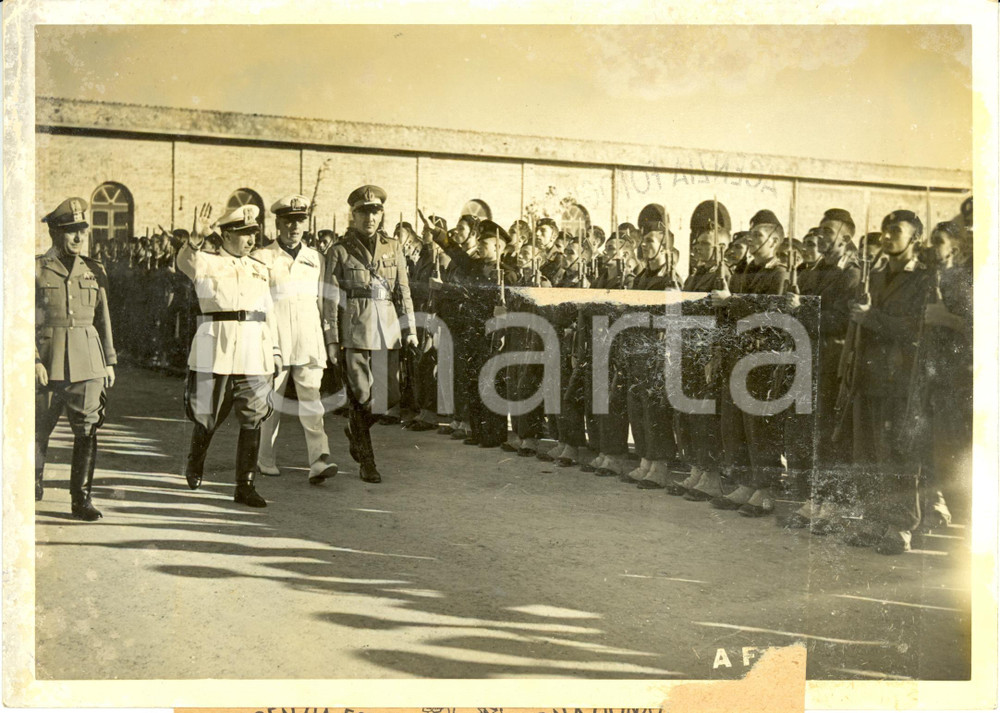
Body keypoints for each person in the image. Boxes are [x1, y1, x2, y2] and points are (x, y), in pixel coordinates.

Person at [177, 202, 282, 508]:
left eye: (253, 233)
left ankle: (245, 486)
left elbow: (268, 311)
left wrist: (275, 350)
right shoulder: (206, 263)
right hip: (217, 348)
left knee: (253, 416)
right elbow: (185, 261)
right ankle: (196, 460)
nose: (250, 240)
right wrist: (195, 239)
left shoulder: (259, 269)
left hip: (254, 349)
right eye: (243, 233)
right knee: (208, 413)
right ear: (225, 235)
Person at [845, 210, 931, 554]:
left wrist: (872, 318)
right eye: (884, 230)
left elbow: (919, 330)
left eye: (896, 230)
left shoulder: (925, 280)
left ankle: (900, 528)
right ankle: (873, 520)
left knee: (898, 454)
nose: (887, 236)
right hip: (868, 376)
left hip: (902, 381)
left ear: (916, 239)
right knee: (866, 451)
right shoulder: (875, 277)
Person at [322, 185, 418, 483]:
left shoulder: (394, 247)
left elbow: (403, 290)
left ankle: (355, 427)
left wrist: (411, 329)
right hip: (355, 329)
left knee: (389, 395)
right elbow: (328, 298)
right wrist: (332, 339)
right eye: (363, 212)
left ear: (381, 214)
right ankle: (367, 462)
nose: (370, 218)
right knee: (361, 397)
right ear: (353, 215)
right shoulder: (339, 250)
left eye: (375, 212)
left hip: (387, 327)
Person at [35, 197, 118, 520]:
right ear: (56, 232)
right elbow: (22, 317)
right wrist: (33, 360)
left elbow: (104, 318)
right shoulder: (37, 268)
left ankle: (80, 499)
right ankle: (32, 482)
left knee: (87, 428)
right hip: (46, 357)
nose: (78, 237)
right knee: (38, 427)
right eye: (71, 231)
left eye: (82, 230)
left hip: (87, 359)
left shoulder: (95, 270)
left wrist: (108, 360)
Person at [253, 194, 338, 485]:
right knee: (271, 404)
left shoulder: (315, 259)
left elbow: (323, 304)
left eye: (300, 221)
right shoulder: (263, 257)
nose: (294, 227)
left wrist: (328, 341)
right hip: (275, 342)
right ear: (278, 223)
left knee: (312, 402)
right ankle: (265, 458)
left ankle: (319, 459)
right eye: (289, 221)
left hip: (308, 339)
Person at [710, 209, 789, 518]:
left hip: (761, 358)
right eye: (751, 234)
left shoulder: (778, 273)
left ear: (776, 240)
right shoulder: (744, 270)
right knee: (735, 424)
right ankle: (745, 482)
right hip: (737, 353)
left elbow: (771, 312)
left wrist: (732, 301)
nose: (752, 241)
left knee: (759, 425)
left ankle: (765, 489)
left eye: (758, 235)